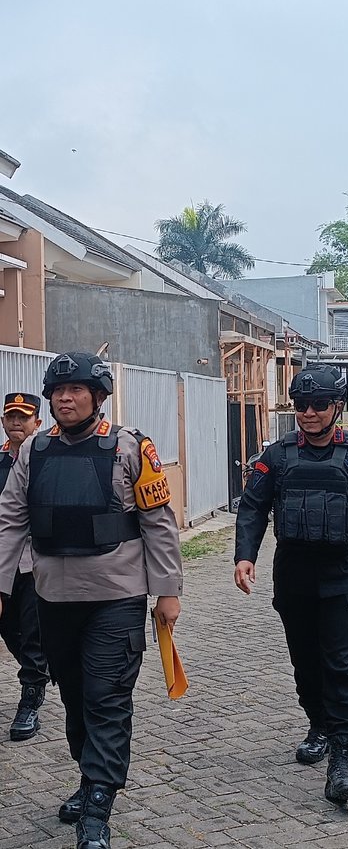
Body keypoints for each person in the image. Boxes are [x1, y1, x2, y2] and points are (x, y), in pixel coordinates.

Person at [0, 352, 183, 849]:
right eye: (58, 391)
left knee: (106, 701)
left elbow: (158, 523)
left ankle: (98, 809)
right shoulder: (33, 451)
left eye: (77, 389)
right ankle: (89, 780)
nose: (65, 397)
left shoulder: (130, 447)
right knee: (77, 702)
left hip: (116, 597)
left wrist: (167, 590)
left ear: (98, 396)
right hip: (53, 598)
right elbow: (10, 520)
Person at [234, 364, 348, 805]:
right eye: (301, 405)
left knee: (343, 668)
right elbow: (252, 508)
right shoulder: (276, 455)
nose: (308, 413)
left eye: (318, 404)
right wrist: (244, 556)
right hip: (294, 578)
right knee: (307, 667)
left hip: (344, 577)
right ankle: (319, 725)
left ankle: (343, 762)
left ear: (337, 407)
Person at [0, 392, 49, 740]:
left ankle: (30, 699)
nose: (16, 423)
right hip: (4, 561)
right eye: (11, 417)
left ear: (38, 423)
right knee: (8, 628)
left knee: (33, 632)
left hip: (39, 561)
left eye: (23, 417)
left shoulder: (49, 459)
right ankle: (40, 672)